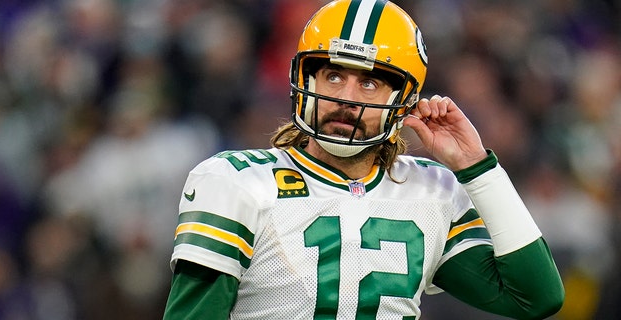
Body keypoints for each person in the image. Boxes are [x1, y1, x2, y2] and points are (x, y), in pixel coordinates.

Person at [162, 0, 565, 319]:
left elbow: (536, 298)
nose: (347, 98)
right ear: (306, 80)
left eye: (369, 83)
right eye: (334, 76)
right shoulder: (238, 182)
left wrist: (478, 169)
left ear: (401, 102)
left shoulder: (431, 191)